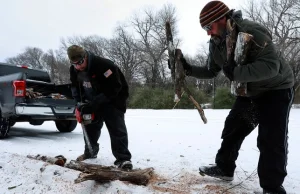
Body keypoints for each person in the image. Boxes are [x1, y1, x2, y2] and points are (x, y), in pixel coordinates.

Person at [176, 1, 294, 193]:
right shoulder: (216, 42)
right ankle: (224, 168)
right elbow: (211, 70)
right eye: (205, 29)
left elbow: (272, 67)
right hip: (249, 91)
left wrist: (237, 72)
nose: (208, 33)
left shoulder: (251, 31)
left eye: (209, 27)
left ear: (222, 19)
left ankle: (272, 187)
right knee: (233, 127)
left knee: (271, 138)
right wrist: (187, 69)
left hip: (276, 89)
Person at [67, 45, 133, 170]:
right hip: (91, 100)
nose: (78, 66)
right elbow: (75, 87)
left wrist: (94, 103)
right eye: (74, 64)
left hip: (114, 99)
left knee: (116, 129)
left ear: (85, 56)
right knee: (89, 126)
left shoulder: (104, 65)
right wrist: (79, 104)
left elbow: (115, 88)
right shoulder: (74, 70)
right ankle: (90, 151)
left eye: (80, 62)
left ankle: (123, 159)